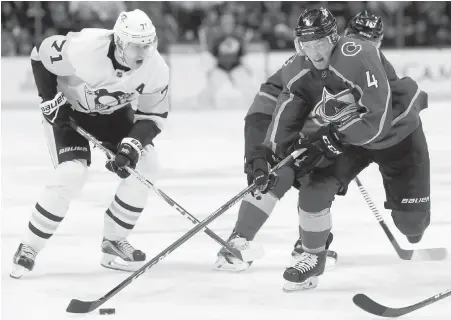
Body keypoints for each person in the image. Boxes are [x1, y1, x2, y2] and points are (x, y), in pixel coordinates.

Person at [248, 7, 429, 292]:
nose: (314, 52)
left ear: (335, 38)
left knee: (413, 226)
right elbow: (286, 116)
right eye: (306, 45)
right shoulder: (298, 68)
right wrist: (266, 155)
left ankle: (412, 224)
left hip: (397, 137)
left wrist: (331, 138)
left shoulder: (360, 54)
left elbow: (375, 122)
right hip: (348, 139)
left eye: (319, 43)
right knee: (315, 186)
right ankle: (313, 257)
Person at [214, 11, 385, 273]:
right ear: (344, 37)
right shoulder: (312, 63)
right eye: (359, 40)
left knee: (314, 179)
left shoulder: (354, 64)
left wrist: (338, 137)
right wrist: (262, 152)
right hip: (270, 115)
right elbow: (288, 113)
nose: (365, 47)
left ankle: (307, 245)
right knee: (275, 173)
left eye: (372, 42)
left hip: (300, 120)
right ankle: (240, 241)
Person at [11, 9, 170, 279]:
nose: (143, 52)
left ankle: (113, 243)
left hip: (113, 114)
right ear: (119, 42)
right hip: (70, 112)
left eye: (148, 43)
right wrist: (49, 100)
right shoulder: (84, 49)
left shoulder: (156, 68)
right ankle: (29, 247)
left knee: (147, 163)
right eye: (136, 45)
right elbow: (40, 54)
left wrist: (130, 146)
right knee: (72, 173)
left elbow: (153, 116)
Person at [198, 12, 258, 108]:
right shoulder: (216, 38)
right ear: (221, 24)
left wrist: (246, 67)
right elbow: (211, 55)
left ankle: (256, 110)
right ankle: (205, 111)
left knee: (249, 88)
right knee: (210, 88)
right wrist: (210, 69)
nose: (227, 25)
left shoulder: (239, 36)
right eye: (225, 23)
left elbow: (243, 54)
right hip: (220, 67)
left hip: (236, 66)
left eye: (230, 23)